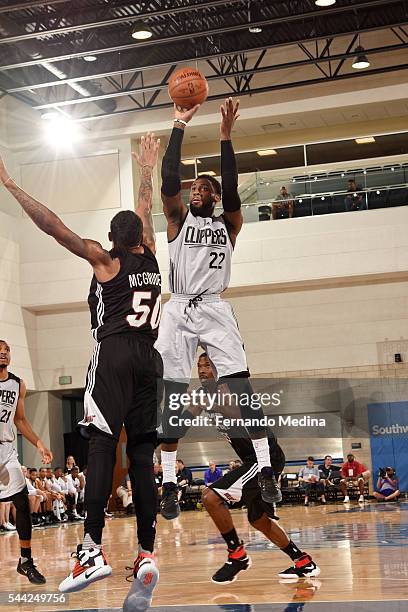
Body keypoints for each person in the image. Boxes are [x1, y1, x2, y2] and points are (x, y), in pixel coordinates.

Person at [0, 135, 162, 608]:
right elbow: (146, 211)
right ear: (139, 240)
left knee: (99, 446)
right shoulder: (150, 257)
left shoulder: (106, 261)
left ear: (113, 240)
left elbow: (56, 228)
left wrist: (10, 185)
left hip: (113, 356)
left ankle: (91, 547)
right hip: (151, 361)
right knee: (141, 459)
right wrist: (145, 169)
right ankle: (147, 552)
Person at [156, 97, 281, 520]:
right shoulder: (176, 220)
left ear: (216, 197)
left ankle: (265, 469)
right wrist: (179, 124)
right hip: (177, 309)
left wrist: (225, 138)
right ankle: (169, 482)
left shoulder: (228, 225)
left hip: (213, 307)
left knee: (241, 387)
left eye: (205, 188)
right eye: (195, 187)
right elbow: (168, 177)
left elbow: (230, 181)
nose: (198, 190)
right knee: (172, 397)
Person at [180, 353, 320, 583]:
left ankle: (237, 555)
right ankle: (303, 562)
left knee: (210, 497)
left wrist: (213, 404)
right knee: (259, 520)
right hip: (250, 459)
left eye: (208, 365)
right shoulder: (202, 394)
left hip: (265, 457)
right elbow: (182, 423)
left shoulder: (233, 388)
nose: (202, 370)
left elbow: (244, 414)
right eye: (199, 366)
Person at [0, 339, 52, 583]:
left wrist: (40, 444)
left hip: (7, 451)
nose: (3, 353)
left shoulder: (17, 384)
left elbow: (20, 419)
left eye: (7, 350)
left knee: (22, 501)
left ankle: (26, 561)